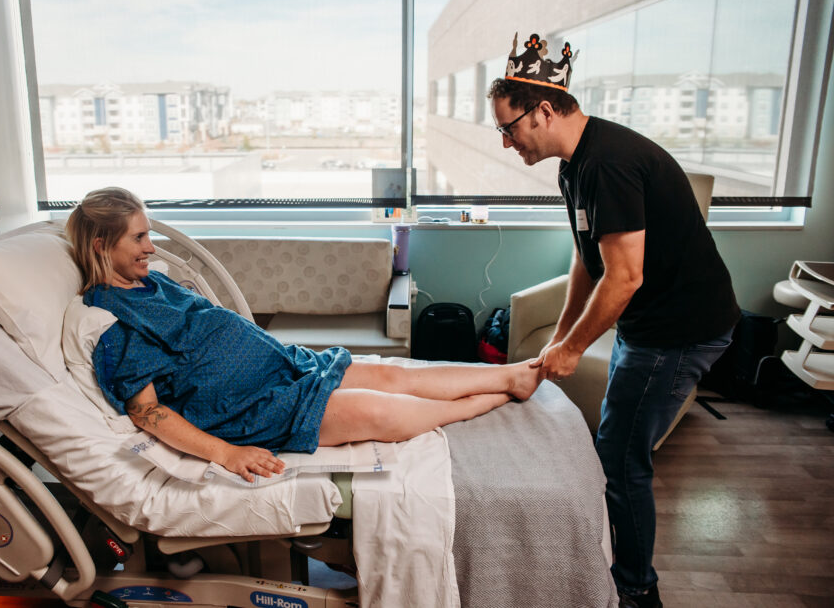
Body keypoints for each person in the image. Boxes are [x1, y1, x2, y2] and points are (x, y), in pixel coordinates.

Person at [488, 33, 740, 608]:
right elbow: (588, 256)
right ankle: (612, 565)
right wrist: (559, 335)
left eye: (509, 128)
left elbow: (624, 278)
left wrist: (574, 351)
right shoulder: (574, 165)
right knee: (615, 446)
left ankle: (635, 590)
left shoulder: (609, 163)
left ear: (544, 110)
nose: (506, 142)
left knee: (622, 460)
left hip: (681, 327)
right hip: (650, 321)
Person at [66, 187, 542, 483]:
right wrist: (227, 454)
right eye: (138, 239)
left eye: (149, 234)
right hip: (252, 410)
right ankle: (498, 397)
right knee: (378, 410)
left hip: (288, 368)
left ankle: (509, 374)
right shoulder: (112, 320)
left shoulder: (151, 281)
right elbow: (148, 412)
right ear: (101, 245)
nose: (152, 247)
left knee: (392, 377)